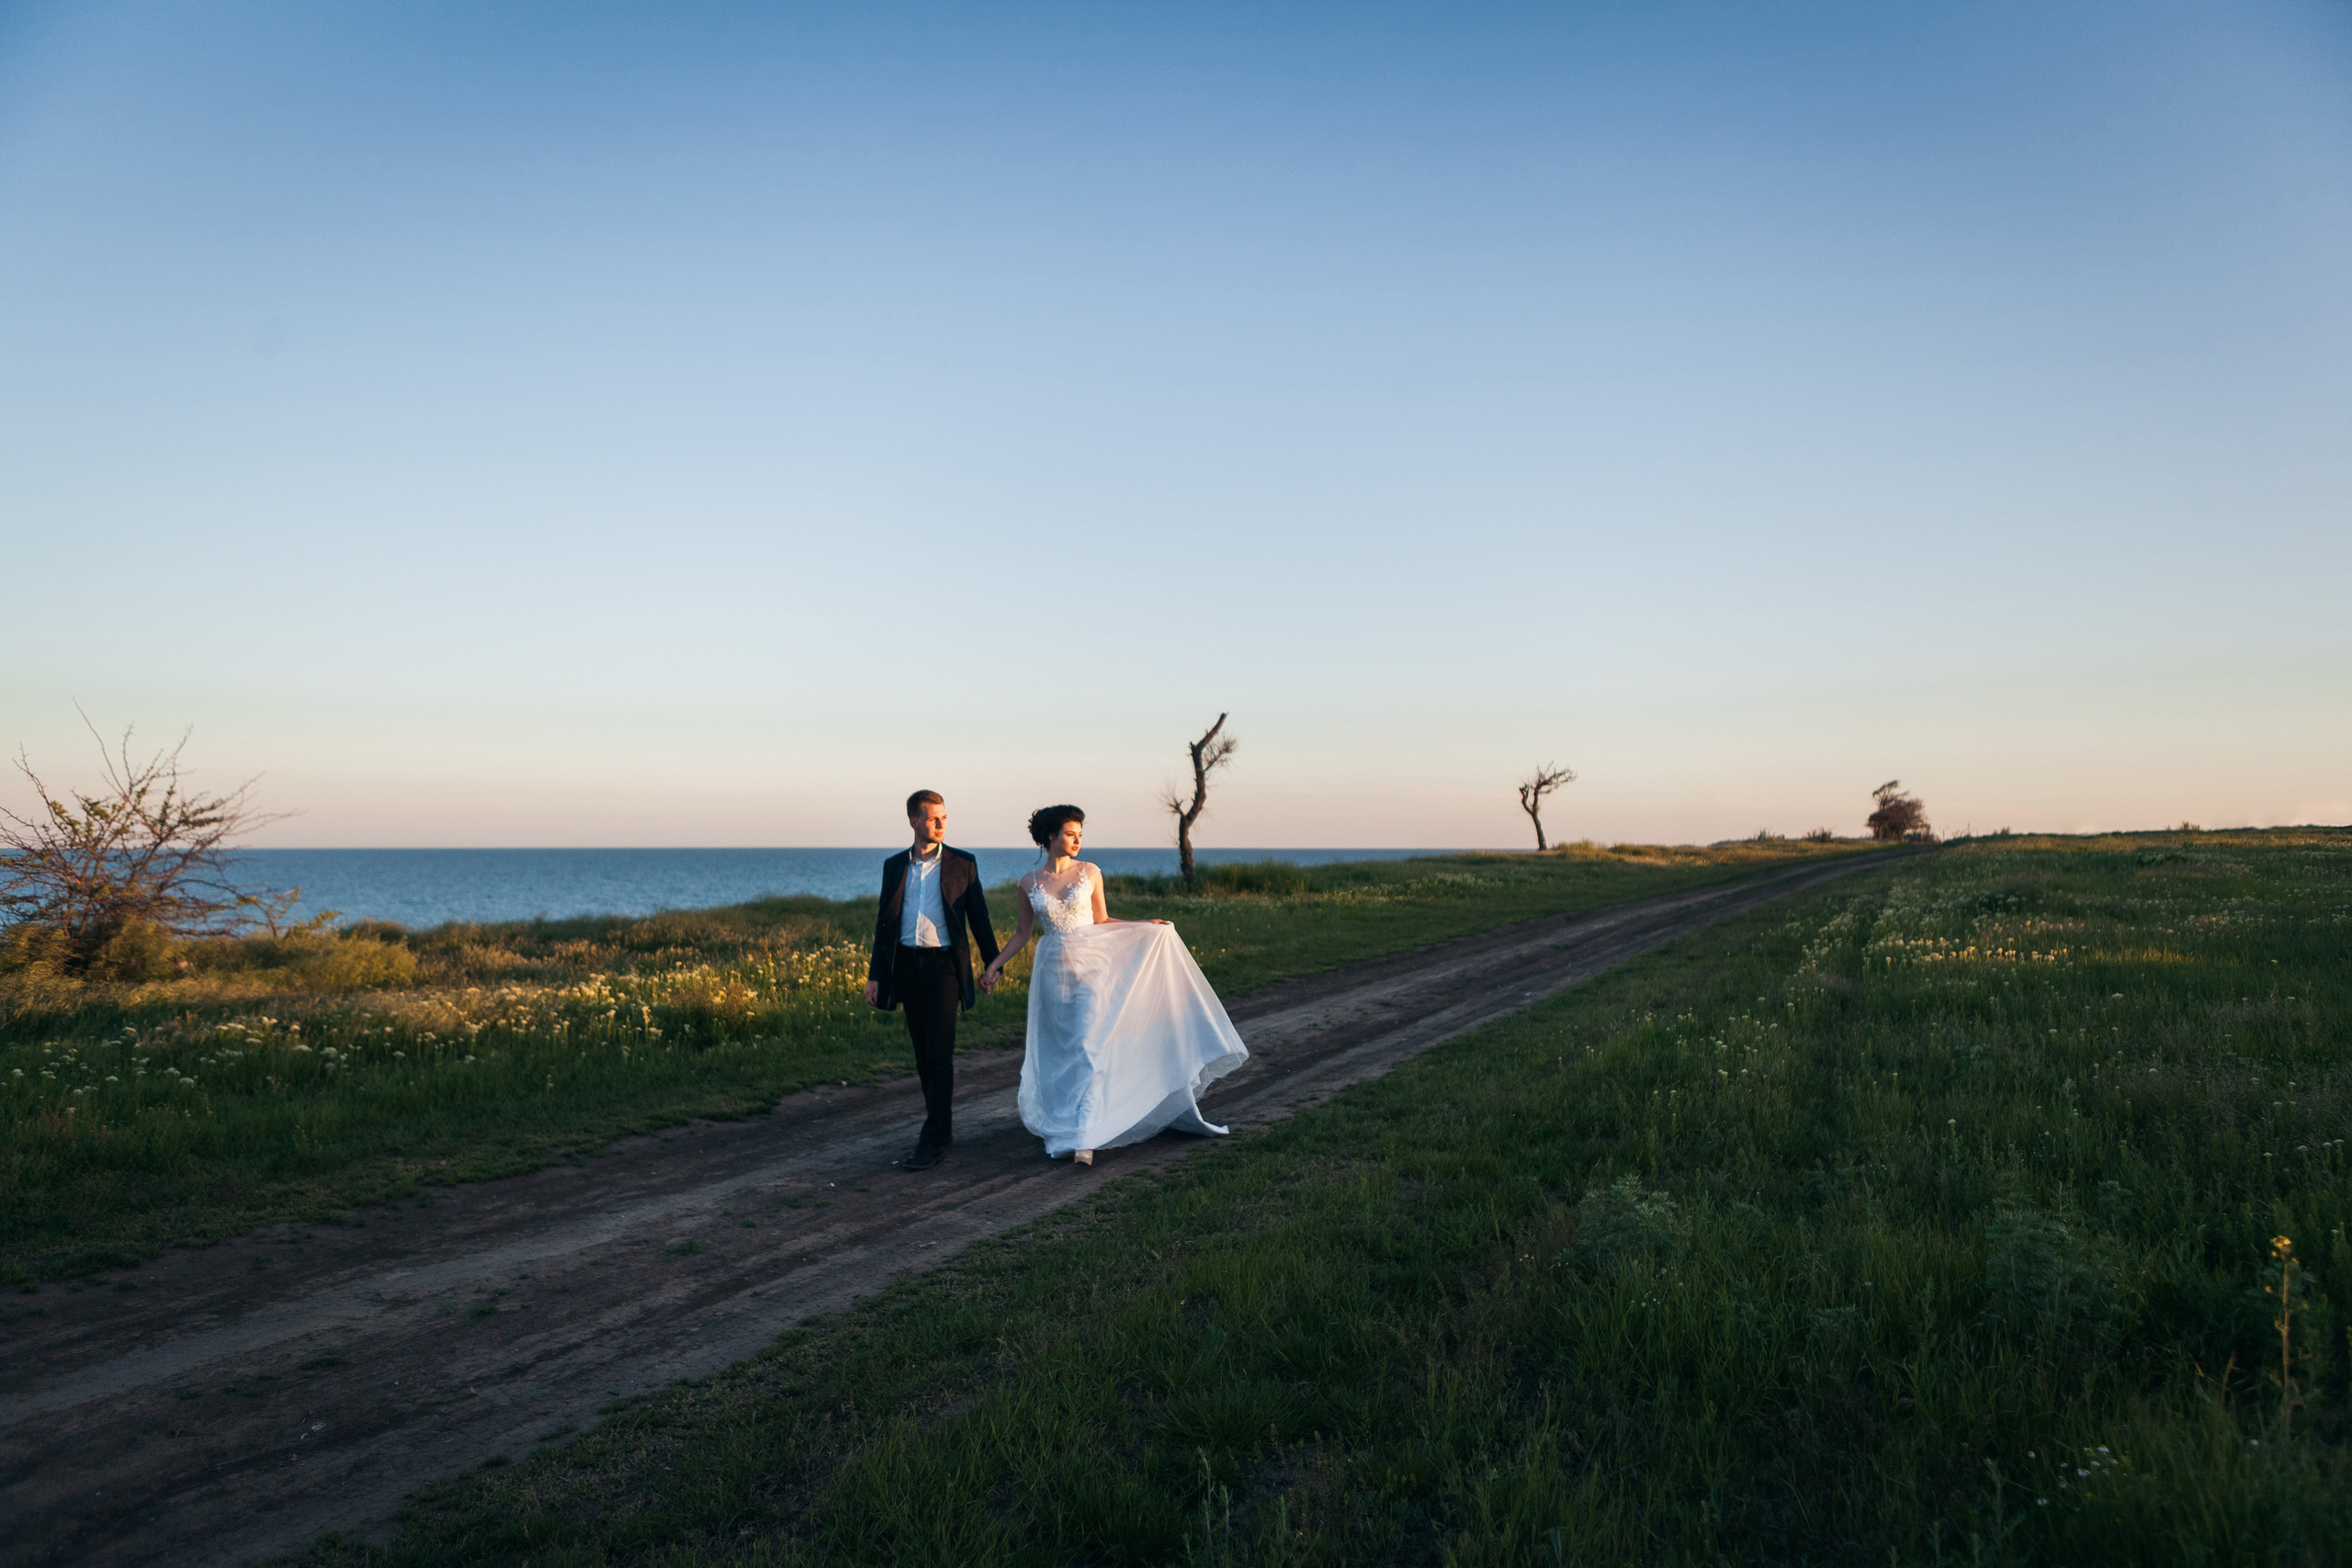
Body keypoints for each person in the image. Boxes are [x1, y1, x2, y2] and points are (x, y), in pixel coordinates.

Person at [979, 804, 1248, 1166]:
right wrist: (994, 966)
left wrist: (1145, 926)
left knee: (1090, 1049)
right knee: (1066, 1054)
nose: (1077, 840)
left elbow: (1102, 919)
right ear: (1051, 837)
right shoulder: (1029, 883)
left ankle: (1085, 1139)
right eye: (1070, 834)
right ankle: (1070, 1120)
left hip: (1094, 969)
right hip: (1053, 976)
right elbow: (1022, 934)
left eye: (1080, 834)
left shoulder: (1090, 872)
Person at [866, 790, 1001, 1170]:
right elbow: (886, 923)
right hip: (907, 967)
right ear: (913, 821)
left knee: (939, 1053)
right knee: (923, 1055)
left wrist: (993, 963)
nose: (940, 824)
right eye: (932, 818)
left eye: (944, 817)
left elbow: (979, 917)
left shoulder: (963, 863)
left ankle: (934, 1137)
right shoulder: (895, 866)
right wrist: (876, 976)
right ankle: (940, 1126)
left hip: (945, 969)